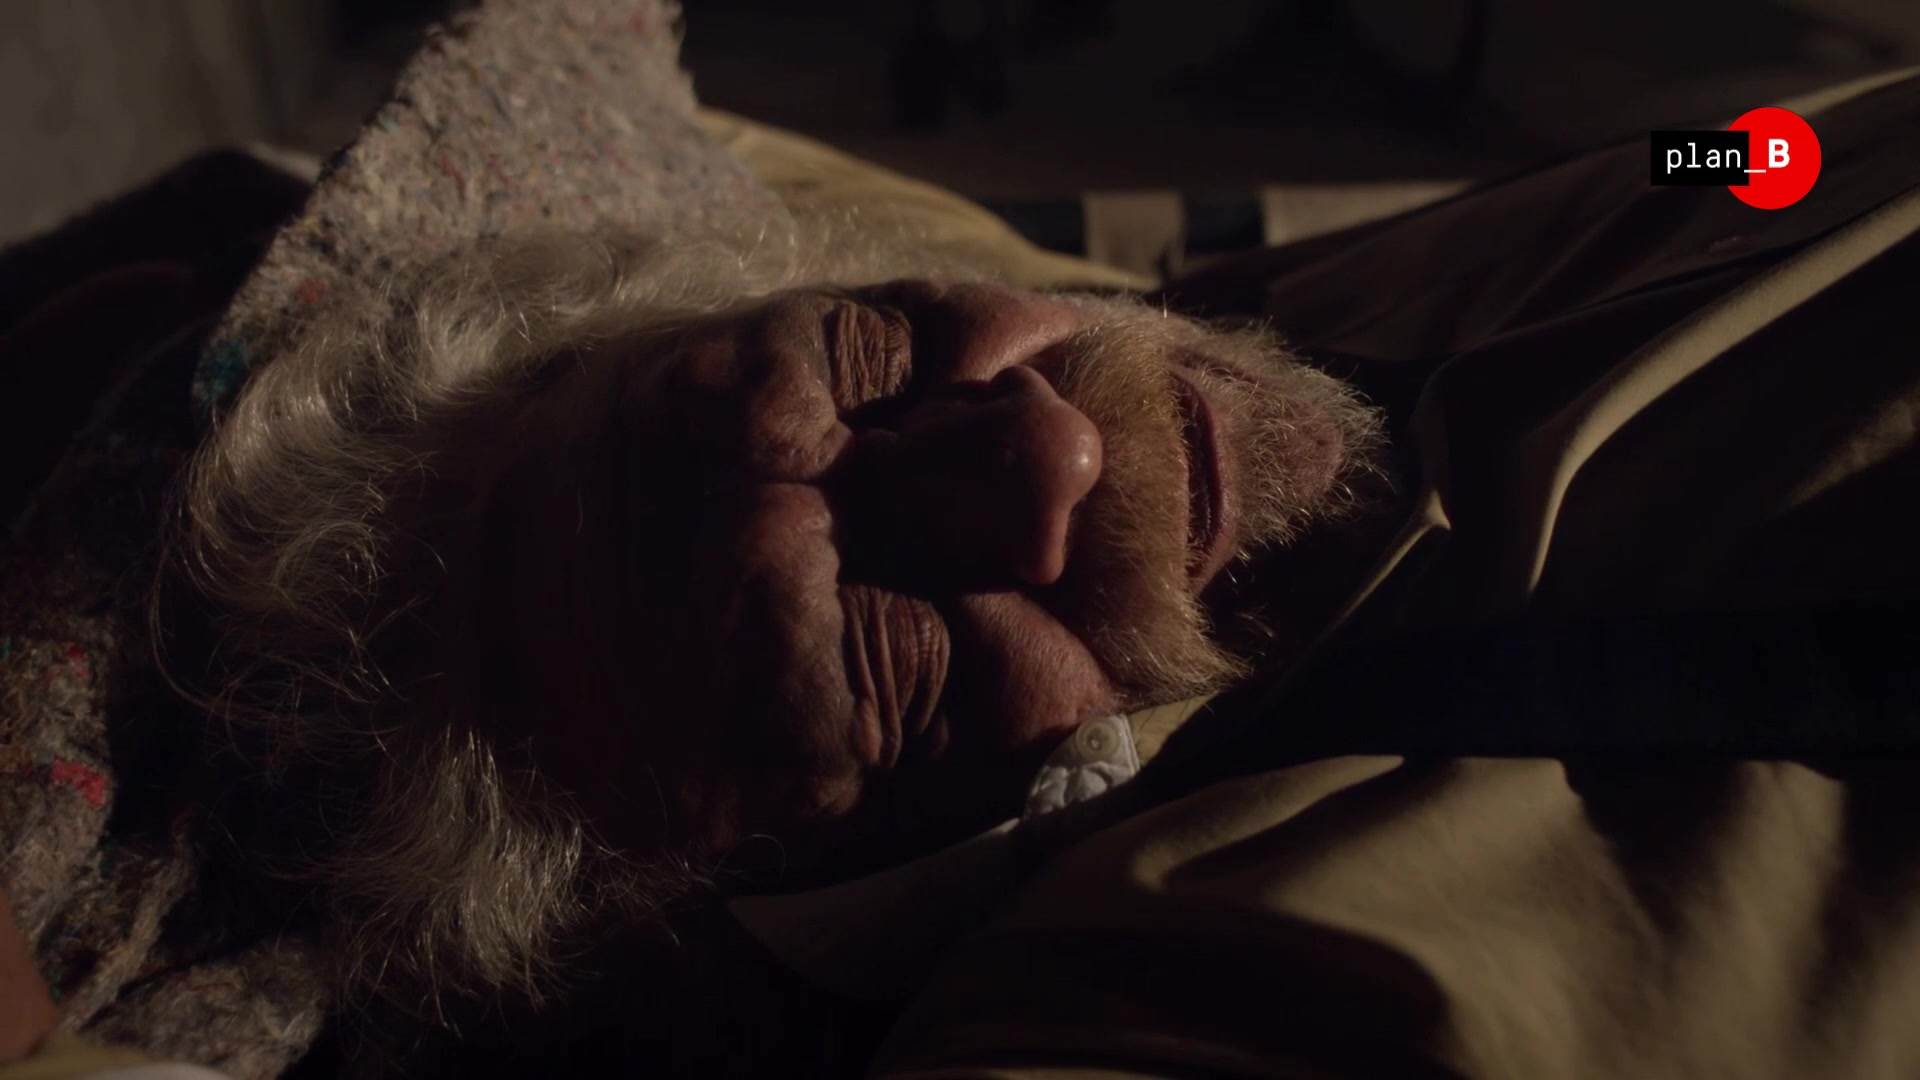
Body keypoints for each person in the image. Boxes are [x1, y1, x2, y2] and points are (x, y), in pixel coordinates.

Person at [11, 66, 1920, 1079]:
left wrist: (1744, 149)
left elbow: (1728, 162)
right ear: (792, 881)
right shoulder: (1200, 964)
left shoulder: (1183, 310)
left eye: (864, 359)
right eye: (886, 643)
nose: (1051, 449)